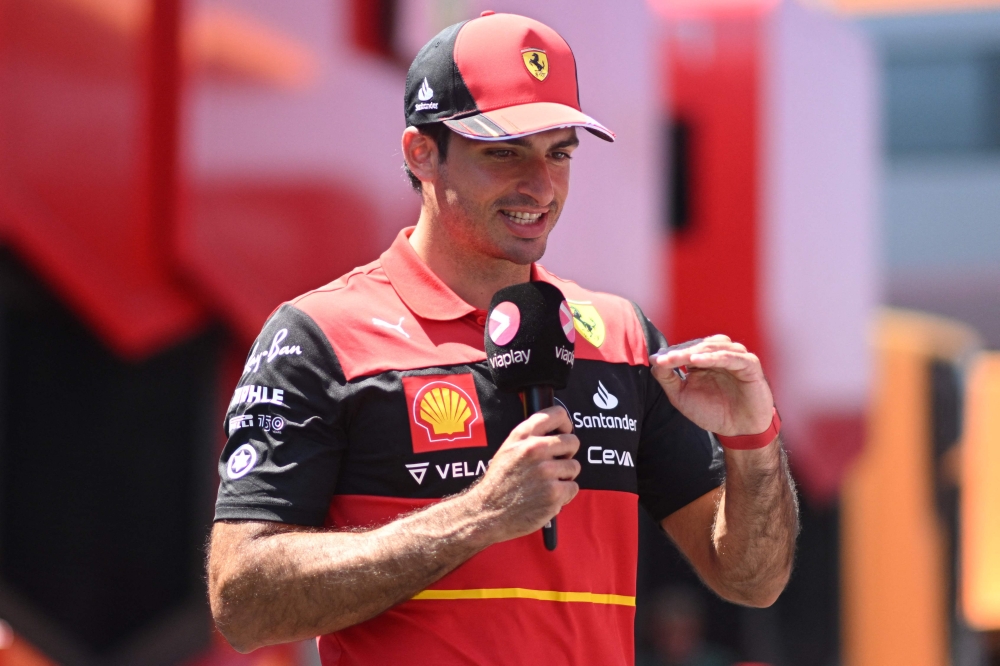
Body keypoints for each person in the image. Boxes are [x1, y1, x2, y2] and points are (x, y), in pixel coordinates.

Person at [206, 11, 798, 666]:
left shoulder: (621, 336)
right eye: (504, 152)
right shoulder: (320, 336)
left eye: (559, 152)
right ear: (420, 153)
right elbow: (242, 600)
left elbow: (750, 580)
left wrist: (755, 440)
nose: (540, 185)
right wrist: (479, 516)